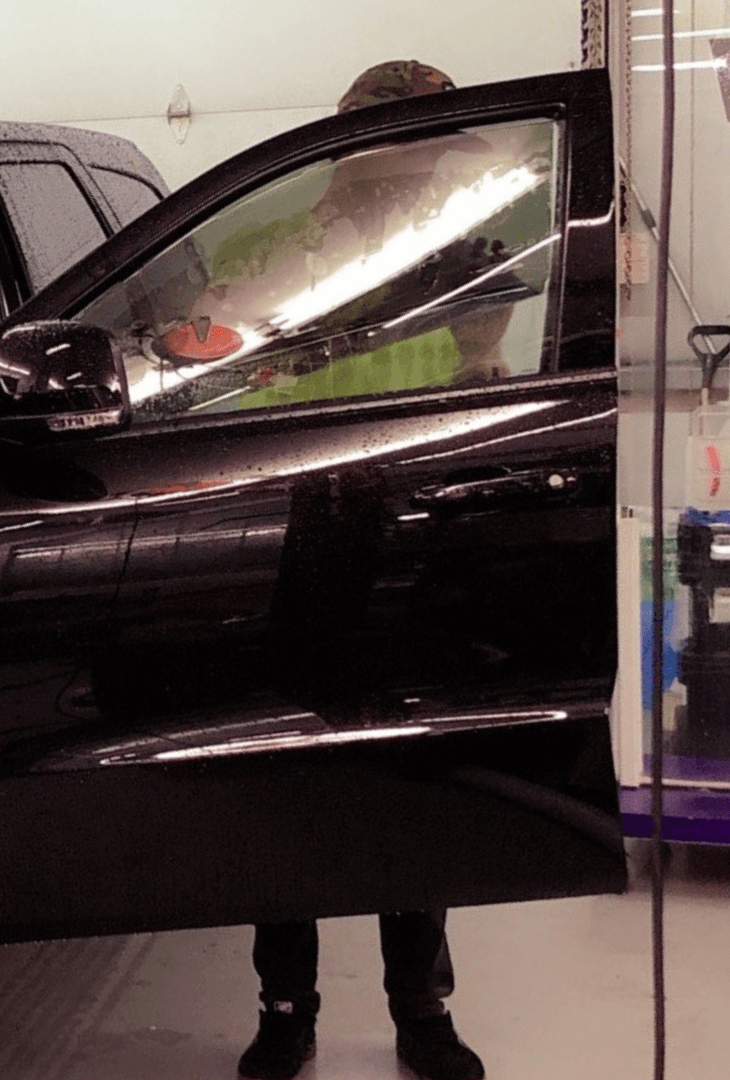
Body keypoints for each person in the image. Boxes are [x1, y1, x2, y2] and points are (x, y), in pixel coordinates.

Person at [229, 56, 490, 1080]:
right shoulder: (276, 243)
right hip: (296, 534)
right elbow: (230, 376)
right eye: (409, 151)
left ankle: (420, 1007)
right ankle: (286, 1004)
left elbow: (487, 378)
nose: (419, 172)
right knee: (281, 774)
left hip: (409, 531)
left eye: (434, 154)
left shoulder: (466, 246)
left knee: (405, 770)